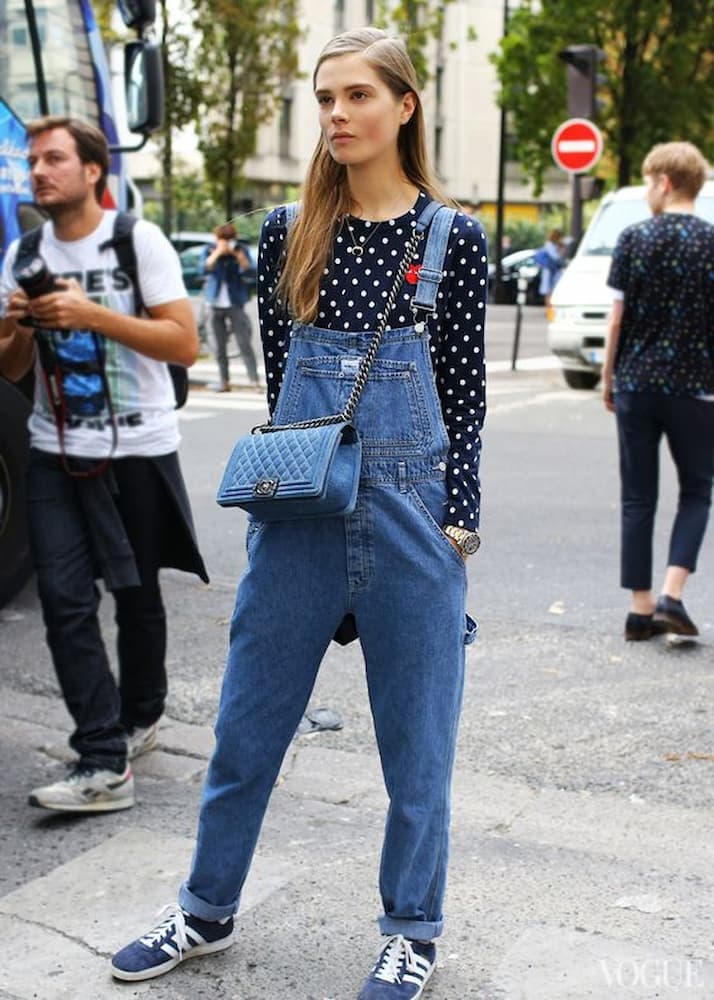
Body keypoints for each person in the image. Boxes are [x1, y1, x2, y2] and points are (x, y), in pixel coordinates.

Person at [112, 27, 486, 998]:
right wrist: (297, 497)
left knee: (418, 753)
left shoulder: (452, 237)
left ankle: (412, 930)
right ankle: (205, 905)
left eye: (357, 95)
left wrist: (458, 527)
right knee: (245, 732)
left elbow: (466, 395)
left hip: (412, 521)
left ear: (404, 106)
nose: (334, 115)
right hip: (300, 512)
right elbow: (288, 388)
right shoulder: (289, 231)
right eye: (325, 97)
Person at [0, 116, 208, 812]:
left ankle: (139, 716)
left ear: (93, 170)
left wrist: (91, 315)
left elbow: (183, 344)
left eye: (54, 158)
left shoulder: (134, 240)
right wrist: (15, 328)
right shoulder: (24, 253)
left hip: (138, 449)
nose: (38, 171)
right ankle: (100, 754)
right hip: (54, 453)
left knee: (138, 594)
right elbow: (13, 367)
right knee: (63, 600)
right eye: (33, 161)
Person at [601, 141, 714, 641]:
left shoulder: (633, 238)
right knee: (696, 490)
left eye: (649, 182)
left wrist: (608, 378)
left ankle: (639, 609)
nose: (648, 190)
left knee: (637, 496)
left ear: (664, 183)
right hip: (695, 389)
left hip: (636, 386)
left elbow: (616, 321)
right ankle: (672, 593)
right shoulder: (711, 244)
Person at [203, 222, 260, 391]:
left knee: (244, 343)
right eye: (222, 240)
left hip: (235, 303)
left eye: (228, 240)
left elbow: (251, 272)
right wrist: (217, 253)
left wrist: (239, 257)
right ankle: (224, 381)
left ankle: (254, 381)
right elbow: (203, 269)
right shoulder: (209, 249)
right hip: (214, 303)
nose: (226, 243)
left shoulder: (241, 250)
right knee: (219, 346)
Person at [535, 228, 564, 306]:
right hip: (549, 268)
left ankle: (551, 307)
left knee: (552, 288)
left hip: (554, 269)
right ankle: (549, 307)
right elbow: (555, 257)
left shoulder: (555, 245)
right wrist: (560, 252)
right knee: (548, 289)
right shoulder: (549, 244)